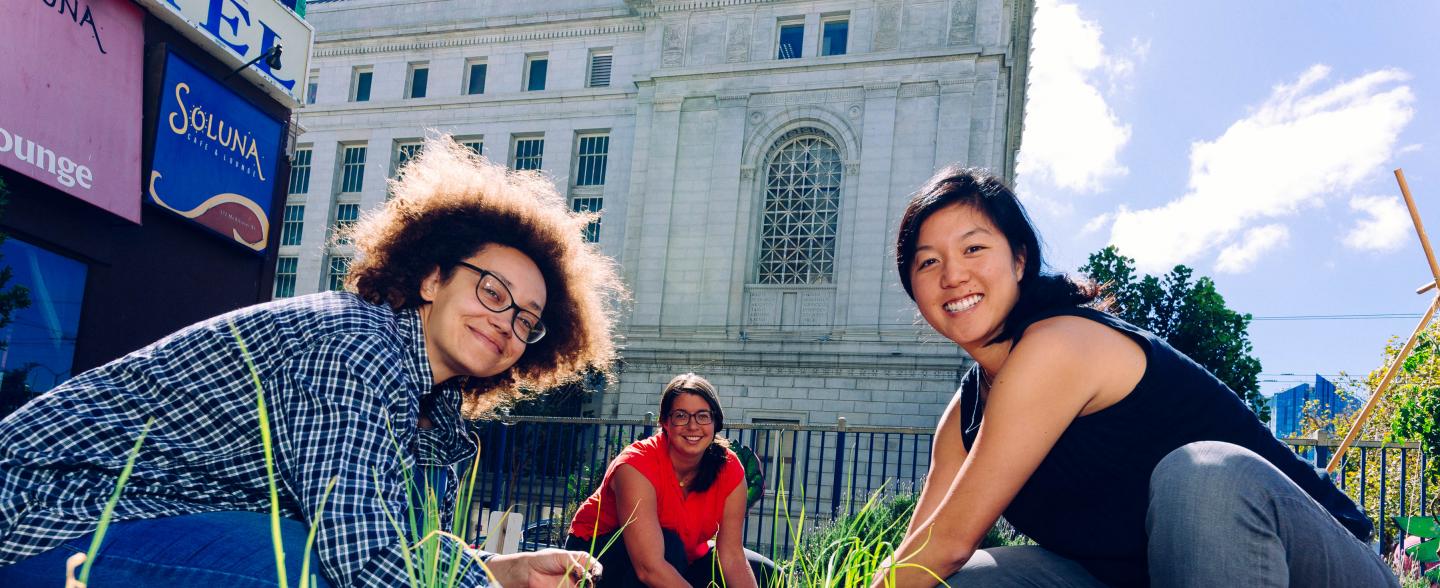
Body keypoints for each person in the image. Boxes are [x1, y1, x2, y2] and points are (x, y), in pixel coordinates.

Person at [0, 136, 623, 588]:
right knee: (301, 565)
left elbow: (388, 535)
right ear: (433, 279)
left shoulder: (432, 405)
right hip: (44, 522)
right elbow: (361, 555)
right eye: (492, 291)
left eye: (526, 320)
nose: (505, 322)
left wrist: (494, 570)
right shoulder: (352, 346)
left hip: (153, 523)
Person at [876, 166, 1397, 587]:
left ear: (1018, 260)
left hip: (1315, 567)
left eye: (973, 249)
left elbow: (948, 542)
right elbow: (924, 550)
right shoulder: (964, 413)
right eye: (927, 262)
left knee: (1202, 475)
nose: (952, 275)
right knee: (966, 582)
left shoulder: (1059, 344)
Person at [565, 373, 774, 587]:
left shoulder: (728, 468)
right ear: (665, 421)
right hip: (596, 559)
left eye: (703, 416)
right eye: (681, 416)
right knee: (670, 548)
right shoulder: (636, 464)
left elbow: (731, 556)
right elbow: (649, 567)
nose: (693, 426)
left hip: (677, 556)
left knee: (763, 572)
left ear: (715, 422)